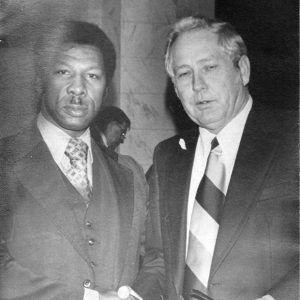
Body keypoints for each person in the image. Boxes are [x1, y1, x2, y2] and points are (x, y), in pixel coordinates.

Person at [0, 20, 163, 300]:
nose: (78, 88)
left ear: (106, 89)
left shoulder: (130, 173)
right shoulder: (4, 162)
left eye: (93, 76)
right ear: (40, 79)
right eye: (64, 72)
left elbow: (156, 259)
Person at [146, 16, 298, 300]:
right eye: (183, 73)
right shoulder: (167, 157)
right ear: (175, 89)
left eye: (210, 67)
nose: (198, 85)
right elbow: (158, 259)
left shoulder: (293, 137)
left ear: (242, 70)